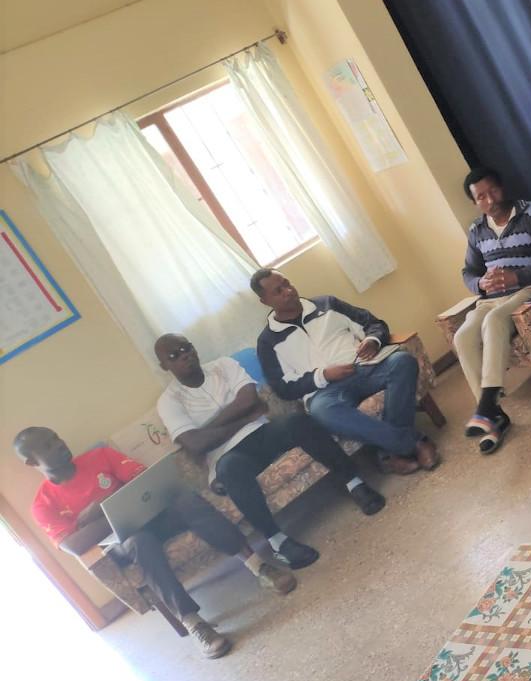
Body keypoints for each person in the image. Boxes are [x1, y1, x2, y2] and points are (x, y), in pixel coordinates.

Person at [17, 427, 296, 659]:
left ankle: (259, 567)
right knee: (139, 542)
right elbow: (74, 545)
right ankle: (195, 623)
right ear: (31, 461)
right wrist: (112, 506)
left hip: (153, 514)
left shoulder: (100, 456)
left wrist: (97, 512)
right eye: (47, 445)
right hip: (125, 539)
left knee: (186, 501)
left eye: (56, 437)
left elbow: (144, 481)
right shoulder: (43, 505)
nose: (58, 444)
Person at [157, 332, 385, 546]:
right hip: (228, 455)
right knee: (229, 470)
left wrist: (206, 430)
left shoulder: (224, 365)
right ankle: (278, 542)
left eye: (186, 348)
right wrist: (242, 418)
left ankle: (355, 483)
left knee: (297, 422)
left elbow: (249, 400)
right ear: (164, 366)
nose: (184, 355)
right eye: (173, 355)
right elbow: (196, 444)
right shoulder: (169, 402)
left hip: (261, 432)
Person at [252, 271, 439, 475]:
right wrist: (323, 375)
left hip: (363, 368)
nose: (288, 291)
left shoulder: (327, 304)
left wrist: (372, 340)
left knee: (402, 361)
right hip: (324, 393)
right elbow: (283, 388)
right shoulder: (267, 342)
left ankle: (390, 455)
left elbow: (374, 323)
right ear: (265, 301)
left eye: (287, 283)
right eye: (278, 291)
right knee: (322, 412)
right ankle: (414, 444)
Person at [458, 166, 531, 452]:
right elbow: (468, 272)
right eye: (481, 197)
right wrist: (480, 283)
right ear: (475, 202)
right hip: (490, 297)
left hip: (526, 290)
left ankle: (486, 404)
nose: (490, 200)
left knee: (494, 321)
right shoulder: (476, 229)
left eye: (493, 191)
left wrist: (518, 276)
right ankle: (495, 417)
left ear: (502, 187)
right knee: (463, 336)